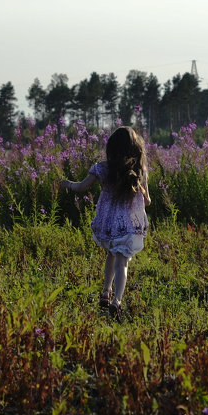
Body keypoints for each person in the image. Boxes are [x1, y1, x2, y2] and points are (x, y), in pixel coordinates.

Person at [60, 126, 151, 315]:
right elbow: (148, 201)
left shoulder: (101, 168)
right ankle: (116, 301)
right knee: (122, 262)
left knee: (111, 254)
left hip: (108, 223)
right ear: (135, 148)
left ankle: (105, 292)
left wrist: (67, 183)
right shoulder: (139, 170)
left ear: (111, 147)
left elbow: (81, 187)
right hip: (127, 226)